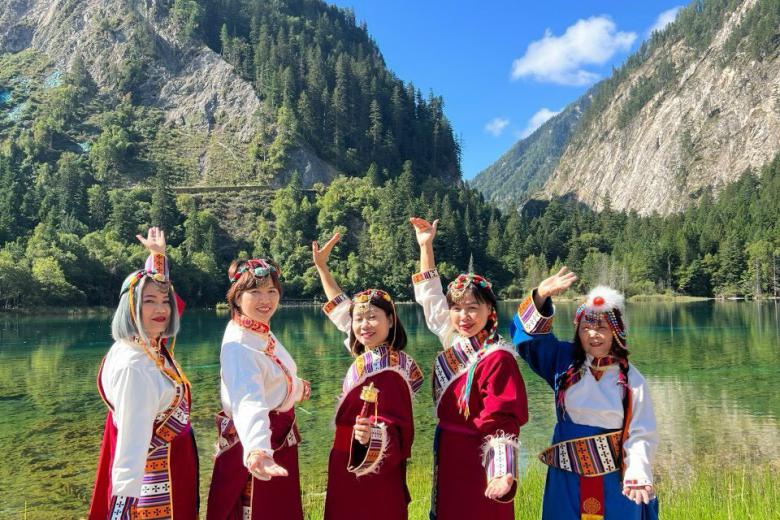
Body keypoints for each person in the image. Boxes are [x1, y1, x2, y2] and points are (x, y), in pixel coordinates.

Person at [510, 268, 659, 519]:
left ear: (616, 331)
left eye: (601, 327)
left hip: (614, 477)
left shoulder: (631, 379)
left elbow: (641, 433)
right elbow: (529, 342)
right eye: (585, 327)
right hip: (567, 476)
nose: (593, 334)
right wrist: (541, 296)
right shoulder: (564, 363)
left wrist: (637, 473)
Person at [409, 217, 528, 520]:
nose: (463, 316)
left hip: (480, 456)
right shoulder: (454, 339)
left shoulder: (498, 358)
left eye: (473, 308)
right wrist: (426, 246)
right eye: (457, 308)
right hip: (448, 451)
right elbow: (430, 296)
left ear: (490, 311)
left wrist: (502, 471)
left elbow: (502, 419)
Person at [89, 227, 198, 519]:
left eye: (165, 301)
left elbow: (172, 305)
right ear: (132, 307)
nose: (162, 309)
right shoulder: (134, 365)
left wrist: (158, 258)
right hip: (155, 476)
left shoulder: (146, 345)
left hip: (173, 465)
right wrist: (121, 508)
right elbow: (131, 443)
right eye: (149, 301)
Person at [312, 233, 423, 520]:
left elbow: (399, 425)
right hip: (347, 454)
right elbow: (341, 309)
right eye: (359, 319)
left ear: (390, 320)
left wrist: (373, 434)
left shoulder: (394, 367)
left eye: (373, 317)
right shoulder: (366, 354)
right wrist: (322, 268)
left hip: (374, 460)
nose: (364, 325)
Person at [206, 258, 310, 520]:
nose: (266, 300)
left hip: (278, 439)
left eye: (272, 291)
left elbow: (273, 377)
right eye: (255, 291)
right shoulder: (239, 345)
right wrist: (259, 450)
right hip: (262, 440)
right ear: (237, 297)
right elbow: (248, 401)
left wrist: (297, 389)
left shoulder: (258, 331)